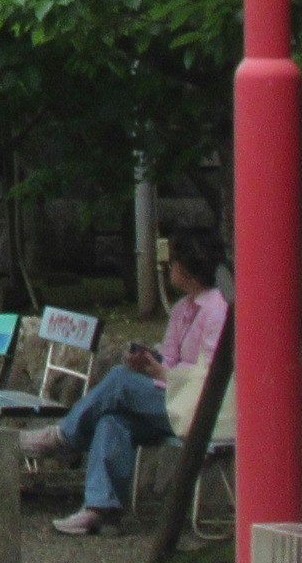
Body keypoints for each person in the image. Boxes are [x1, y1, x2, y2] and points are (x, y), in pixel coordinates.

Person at [28, 229, 227, 534]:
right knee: (113, 419)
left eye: (173, 262)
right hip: (172, 399)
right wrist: (150, 361)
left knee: (120, 382)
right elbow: (171, 359)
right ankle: (101, 508)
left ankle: (64, 436)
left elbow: (212, 376)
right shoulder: (181, 309)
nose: (169, 268)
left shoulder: (217, 309)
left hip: (200, 406)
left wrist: (160, 374)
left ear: (187, 269)